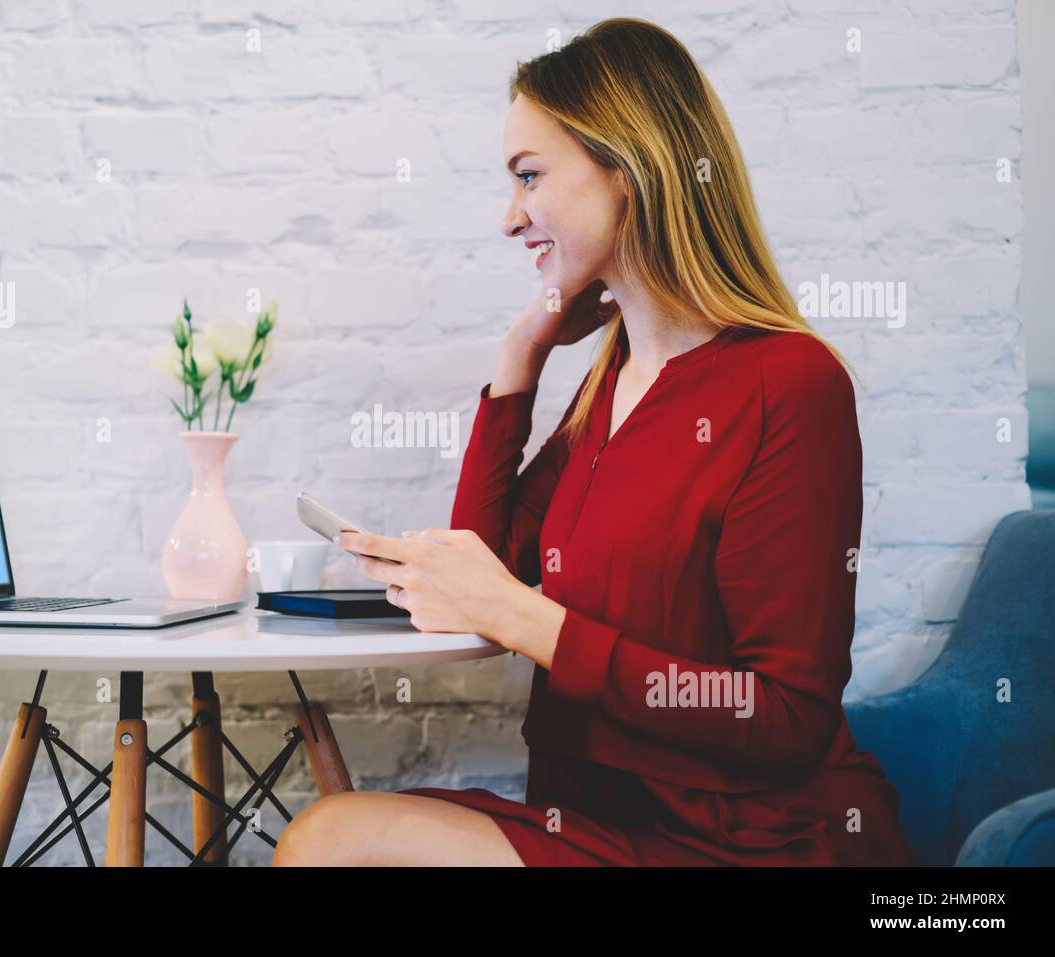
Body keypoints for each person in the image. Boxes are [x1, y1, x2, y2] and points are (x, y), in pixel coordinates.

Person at [272, 17, 916, 867]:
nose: (511, 218)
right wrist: (521, 357)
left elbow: (788, 720)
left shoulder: (790, 384)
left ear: (629, 166)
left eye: (529, 176)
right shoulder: (609, 383)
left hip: (751, 840)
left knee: (333, 843)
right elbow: (489, 564)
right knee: (332, 835)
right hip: (593, 820)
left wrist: (523, 615)